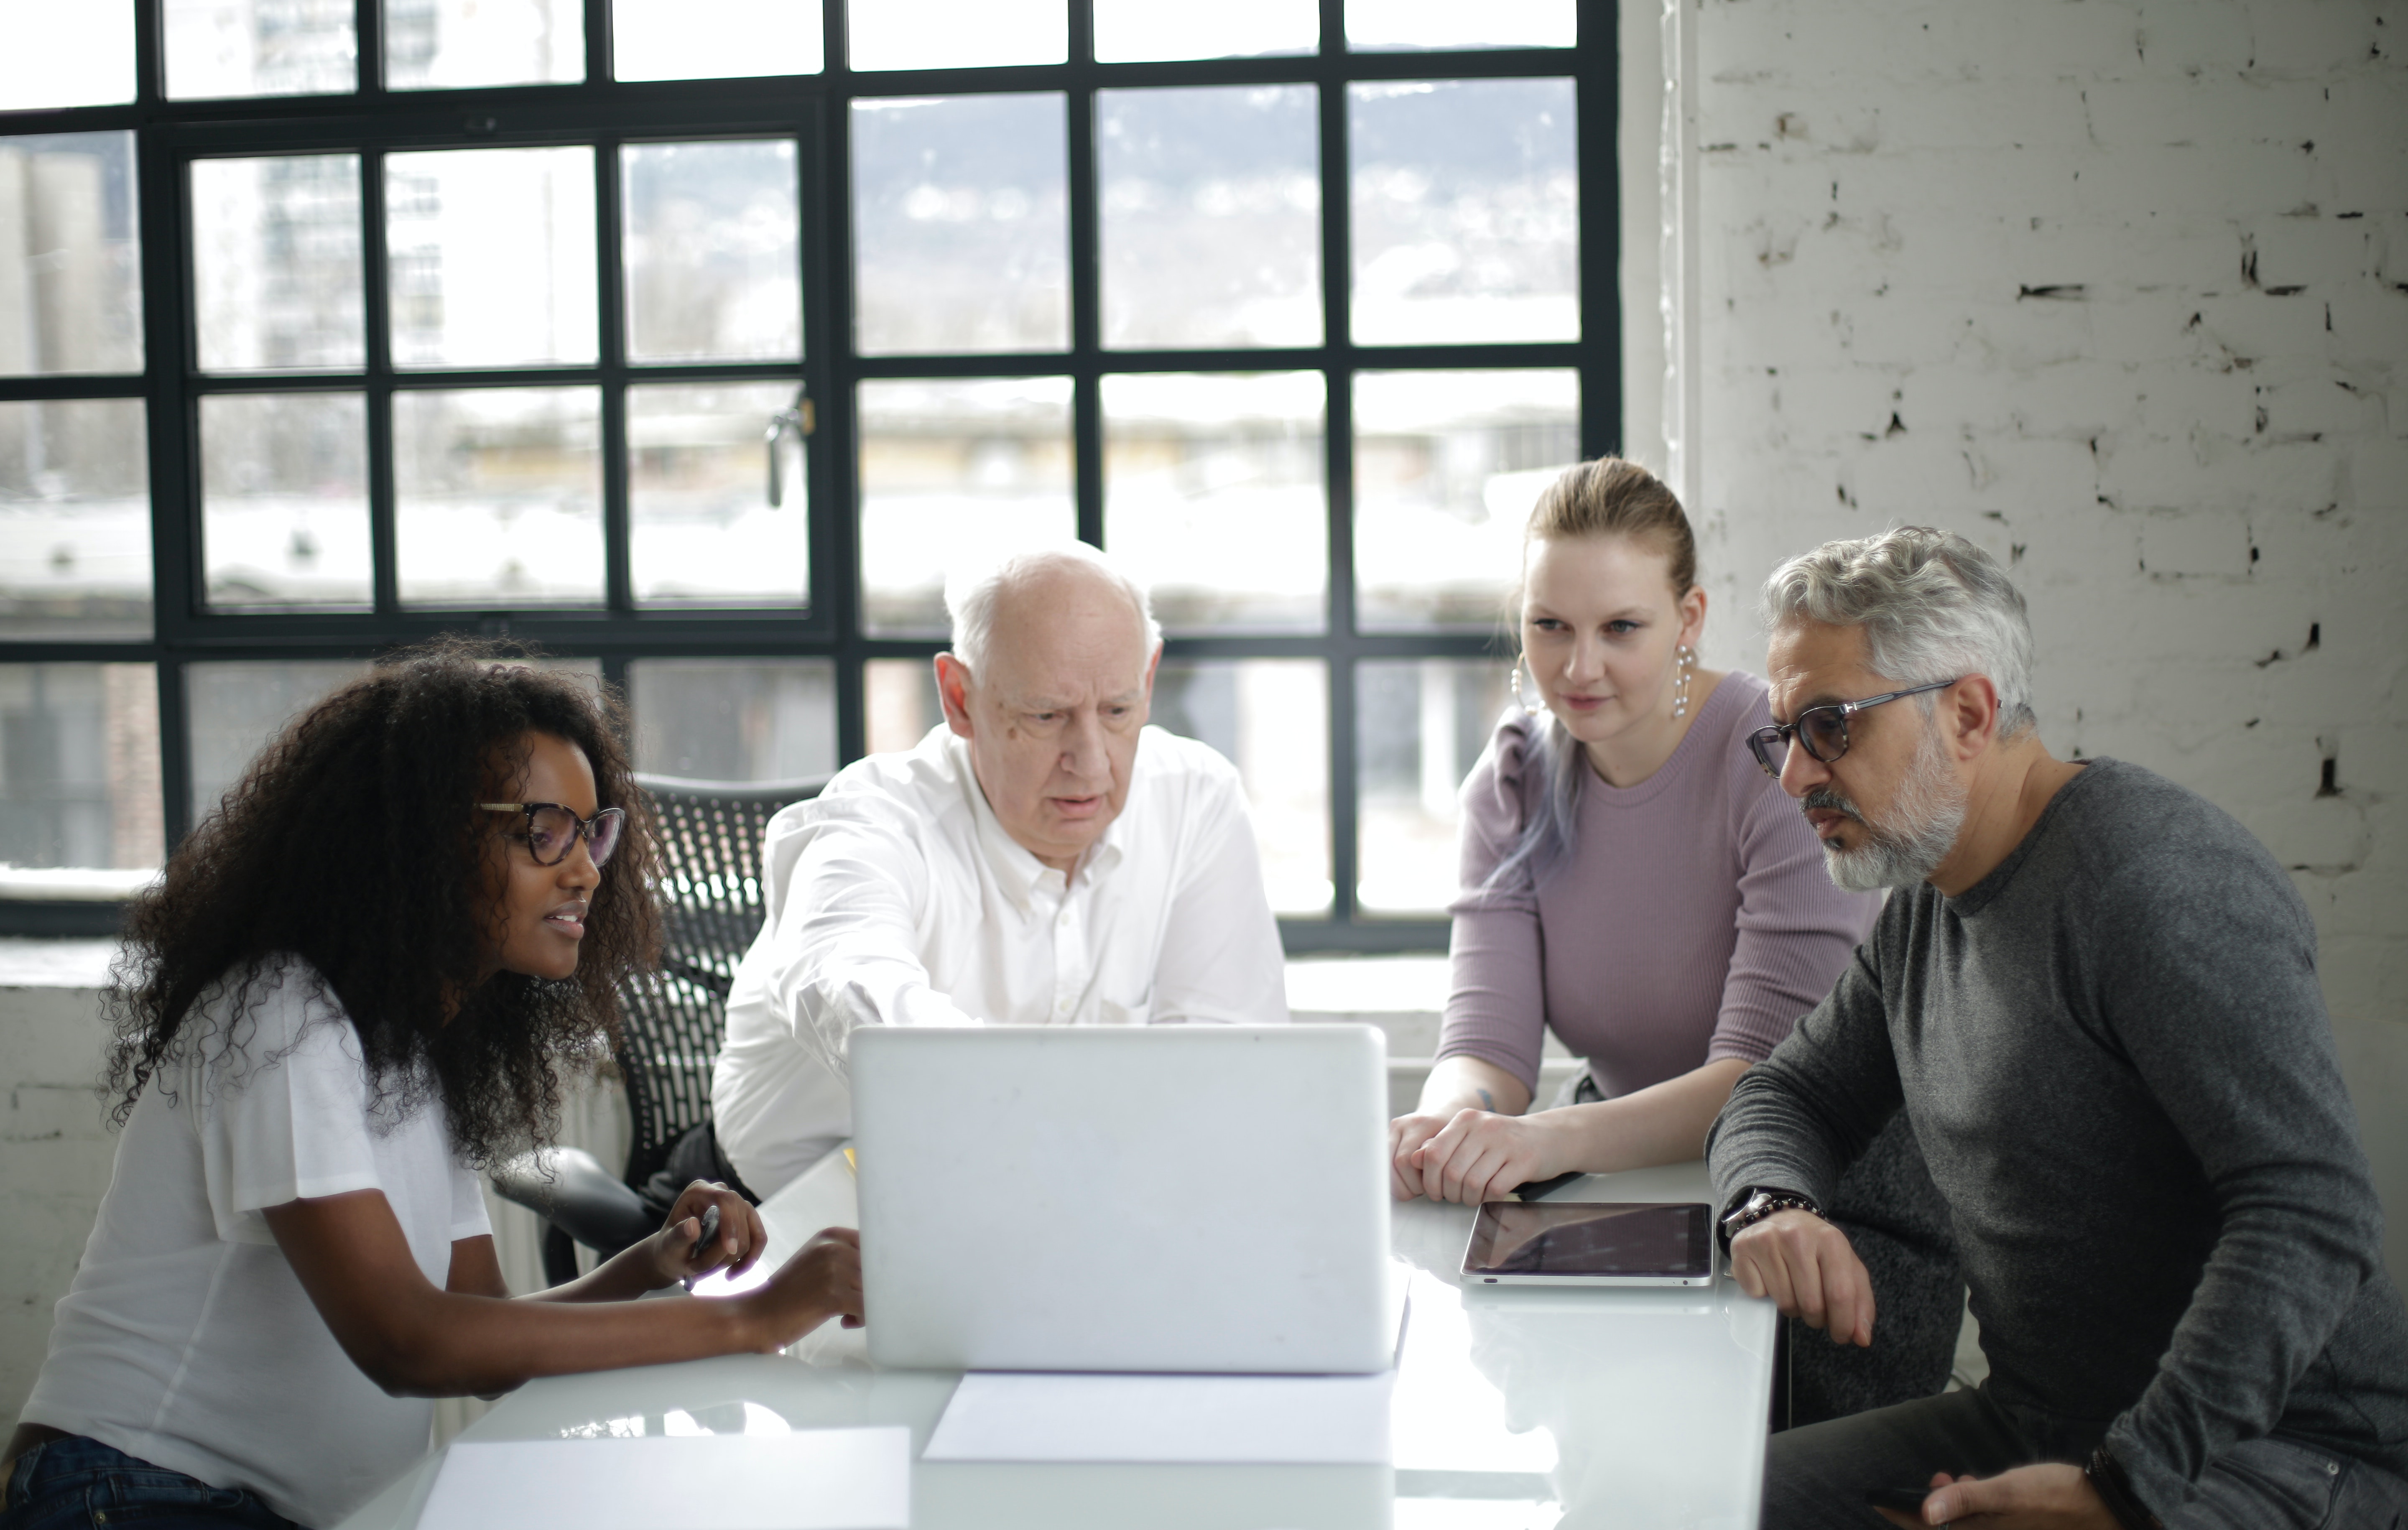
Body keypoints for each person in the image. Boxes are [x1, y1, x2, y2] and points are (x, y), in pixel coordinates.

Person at [1, 644, 864, 1530]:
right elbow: (408, 1341)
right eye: (545, 831)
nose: (586, 871)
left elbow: (482, 1338)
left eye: (591, 831)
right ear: (422, 837)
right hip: (127, 1491)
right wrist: (753, 1318)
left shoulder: (411, 1052)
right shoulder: (281, 1016)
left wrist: (652, 1264)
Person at [1710, 527, 2408, 1530]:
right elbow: (1787, 1094)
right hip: (2044, 1421)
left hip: (2282, 1453)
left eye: (1828, 727)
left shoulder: (2157, 884)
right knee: (1709, 1501)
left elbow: (2313, 1210)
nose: (1794, 779)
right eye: (1782, 736)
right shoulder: (1927, 900)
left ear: (1966, 712)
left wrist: (2124, 1486)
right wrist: (1771, 1204)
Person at [1387, 458, 1962, 1422]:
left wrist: (1526, 1144)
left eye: (1621, 628)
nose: (1578, 668)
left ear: (1689, 619)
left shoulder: (1772, 761)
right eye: (1549, 627)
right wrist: (1453, 1128)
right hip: (1628, 1190)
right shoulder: (1518, 776)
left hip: (1818, 1204)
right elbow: (1487, 1047)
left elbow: (1761, 1084)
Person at [711, 543, 1288, 1200]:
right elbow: (846, 984)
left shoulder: (1195, 798)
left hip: (1055, 1202)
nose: (1092, 765)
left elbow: (1225, 1060)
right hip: (795, 1217)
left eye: (1119, 711)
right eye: (1046, 716)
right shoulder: (869, 821)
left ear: (1149, 679)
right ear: (959, 698)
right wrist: (1045, 1120)